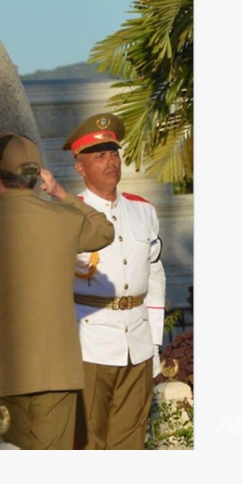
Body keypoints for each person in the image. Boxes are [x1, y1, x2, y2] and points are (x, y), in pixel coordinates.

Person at [0, 133, 115, 449]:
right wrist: (61, 193)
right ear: (37, 177)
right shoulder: (64, 219)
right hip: (57, 372)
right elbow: (104, 230)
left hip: (0, 371)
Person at [61, 112, 166, 450]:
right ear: (80, 166)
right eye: (100, 156)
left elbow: (155, 274)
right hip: (90, 343)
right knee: (89, 440)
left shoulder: (143, 211)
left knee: (130, 440)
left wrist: (154, 341)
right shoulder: (67, 215)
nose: (111, 163)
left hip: (136, 342)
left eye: (114, 153)